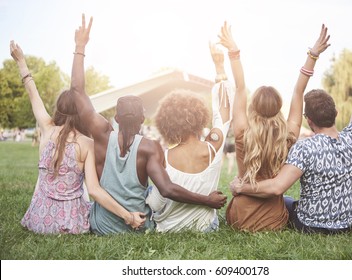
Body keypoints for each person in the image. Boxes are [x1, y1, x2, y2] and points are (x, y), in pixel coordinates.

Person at [70, 15, 227, 235]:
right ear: (143, 119)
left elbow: (77, 91)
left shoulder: (101, 133)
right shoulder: (149, 147)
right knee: (155, 190)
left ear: (115, 118)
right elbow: (167, 189)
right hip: (137, 226)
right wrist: (206, 200)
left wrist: (80, 47)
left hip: (102, 226)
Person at [230, 43, 352, 234]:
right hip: (347, 224)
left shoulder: (304, 148)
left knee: (288, 201)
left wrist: (241, 187)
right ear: (336, 112)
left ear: (309, 121)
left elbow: (277, 187)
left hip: (304, 224)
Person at [10, 39, 145, 234]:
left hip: (39, 219)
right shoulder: (87, 143)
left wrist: (21, 62)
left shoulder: (47, 129)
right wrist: (128, 216)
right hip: (70, 223)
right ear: (82, 113)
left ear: (59, 108)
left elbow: (33, 95)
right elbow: (94, 190)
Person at [218, 22, 330, 232]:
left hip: (239, 218)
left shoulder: (243, 132)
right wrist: (313, 55)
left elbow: (240, 87)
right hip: (273, 220)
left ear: (253, 107)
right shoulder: (288, 135)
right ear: (279, 107)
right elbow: (299, 91)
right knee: (287, 199)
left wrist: (233, 52)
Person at [145, 43, 233, 232]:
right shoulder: (213, 146)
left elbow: (156, 203)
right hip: (205, 227)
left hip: (168, 229)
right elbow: (224, 111)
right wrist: (219, 67)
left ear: (166, 123)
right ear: (199, 116)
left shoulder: (164, 156)